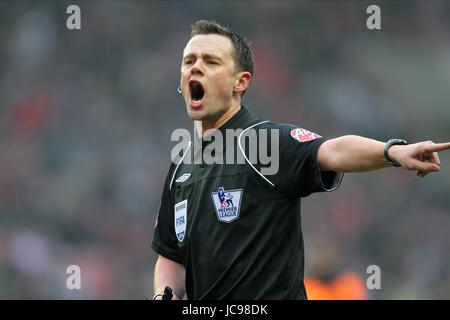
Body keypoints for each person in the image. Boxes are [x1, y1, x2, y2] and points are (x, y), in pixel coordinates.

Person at [151, 20, 450, 300]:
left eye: (211, 61)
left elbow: (332, 151)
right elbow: (171, 256)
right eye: (189, 61)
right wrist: (163, 294)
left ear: (240, 82)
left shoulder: (264, 143)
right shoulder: (181, 166)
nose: (196, 68)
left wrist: (392, 152)